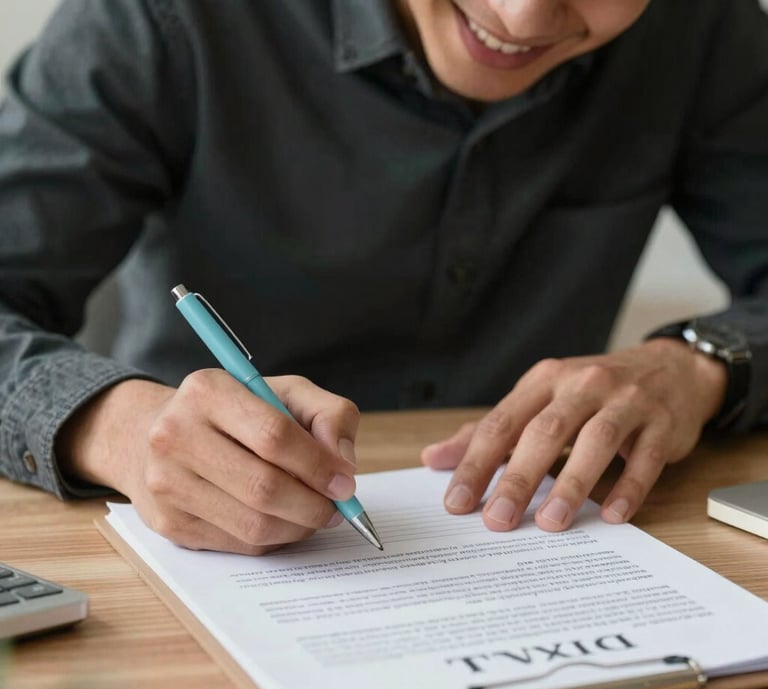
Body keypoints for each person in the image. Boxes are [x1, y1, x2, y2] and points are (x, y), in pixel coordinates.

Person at [0, 0, 766, 555]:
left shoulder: (702, 29)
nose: (523, 18)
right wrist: (119, 430)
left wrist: (699, 365)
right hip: (188, 561)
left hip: (538, 542)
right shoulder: (163, 17)